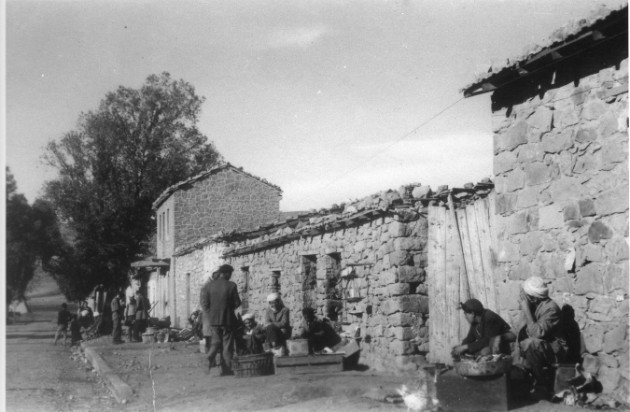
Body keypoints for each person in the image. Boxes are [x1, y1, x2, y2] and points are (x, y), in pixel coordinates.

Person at [518, 276, 568, 389]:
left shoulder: (551, 309)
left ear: (533, 298)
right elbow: (521, 331)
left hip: (555, 350)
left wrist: (526, 309)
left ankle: (541, 384)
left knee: (532, 343)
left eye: (524, 295)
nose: (521, 297)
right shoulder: (533, 305)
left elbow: (536, 334)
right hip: (542, 346)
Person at [200, 264, 241, 375]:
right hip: (228, 320)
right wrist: (228, 308)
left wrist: (212, 312)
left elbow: (205, 304)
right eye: (230, 274)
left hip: (213, 320)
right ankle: (226, 369)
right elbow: (237, 302)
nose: (230, 276)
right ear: (227, 273)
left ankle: (210, 356)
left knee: (216, 342)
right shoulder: (231, 285)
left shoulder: (208, 286)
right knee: (227, 344)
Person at [451, 298, 515, 358]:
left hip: (502, 349)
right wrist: (460, 348)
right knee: (468, 351)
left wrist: (465, 347)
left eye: (465, 313)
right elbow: (470, 338)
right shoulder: (475, 321)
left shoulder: (489, 317)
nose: (465, 316)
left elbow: (487, 340)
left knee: (484, 351)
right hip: (490, 345)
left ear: (472, 314)